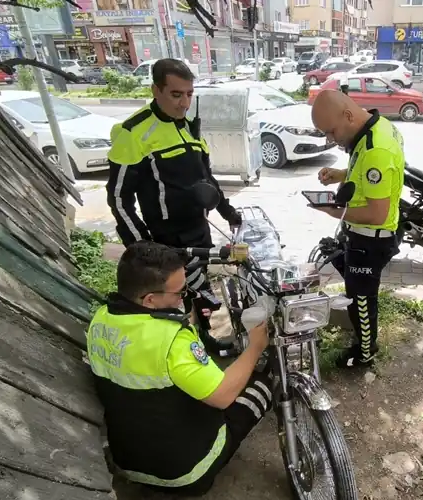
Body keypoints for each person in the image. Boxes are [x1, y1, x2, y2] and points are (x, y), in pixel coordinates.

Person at [87, 241, 272, 496]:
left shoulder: (101, 318)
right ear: (150, 299)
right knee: (261, 385)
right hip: (185, 473)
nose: (184, 296)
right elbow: (223, 396)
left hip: (128, 462)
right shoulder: (171, 339)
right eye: (179, 292)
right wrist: (255, 347)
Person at [106, 58, 241, 357]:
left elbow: (206, 179)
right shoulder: (134, 132)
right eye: (176, 94)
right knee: (170, 304)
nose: (184, 103)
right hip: (164, 239)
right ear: (156, 90)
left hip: (198, 232)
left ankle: (206, 344)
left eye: (190, 94)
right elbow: (118, 198)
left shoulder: (188, 128)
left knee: (201, 294)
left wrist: (227, 211)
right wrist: (142, 247)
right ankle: (174, 357)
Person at [309, 90, 404, 368]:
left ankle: (364, 354)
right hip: (367, 234)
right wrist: (342, 174)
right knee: (352, 281)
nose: (331, 139)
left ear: (348, 115)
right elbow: (371, 173)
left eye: (331, 131)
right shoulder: (377, 127)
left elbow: (376, 213)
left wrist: (333, 210)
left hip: (371, 237)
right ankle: (362, 338)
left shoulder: (376, 148)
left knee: (361, 299)